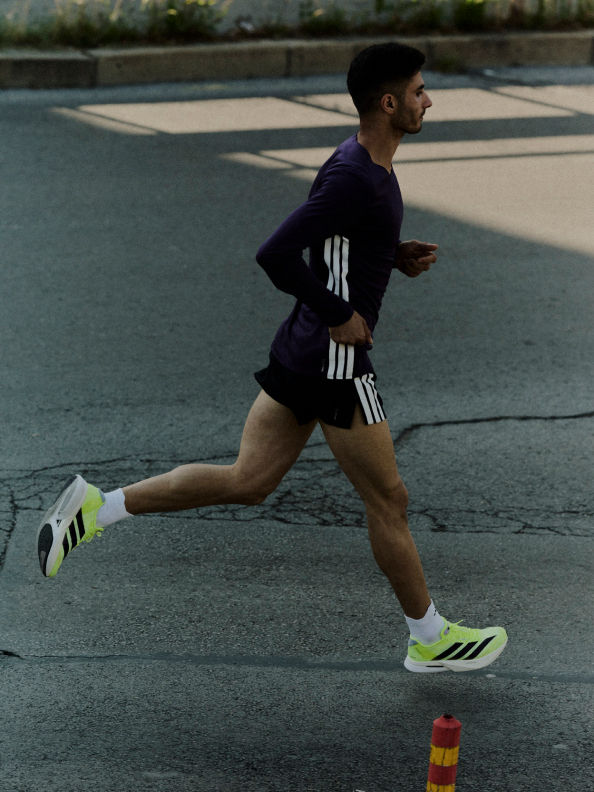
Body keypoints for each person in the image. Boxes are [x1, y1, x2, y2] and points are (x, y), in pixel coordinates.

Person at [37, 42, 507, 673]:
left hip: (303, 348)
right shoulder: (355, 176)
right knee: (388, 500)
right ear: (389, 102)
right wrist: (342, 313)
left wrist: (386, 254)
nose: (430, 100)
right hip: (336, 360)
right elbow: (275, 253)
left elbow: (332, 241)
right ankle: (429, 637)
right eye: (420, 90)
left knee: (248, 481)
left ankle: (98, 508)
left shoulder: (358, 161)